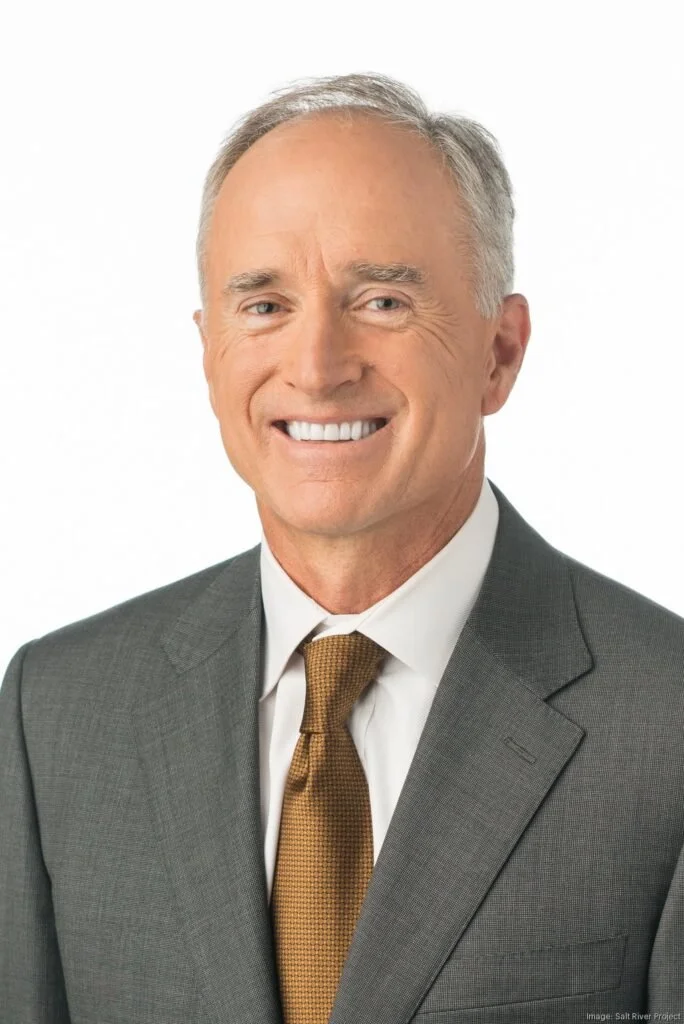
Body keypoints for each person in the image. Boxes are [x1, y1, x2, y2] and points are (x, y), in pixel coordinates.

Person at [1, 71, 683, 1024]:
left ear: (499, 353)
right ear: (208, 352)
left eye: (384, 301)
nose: (318, 368)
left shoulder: (666, 720)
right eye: (264, 306)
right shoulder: (57, 713)